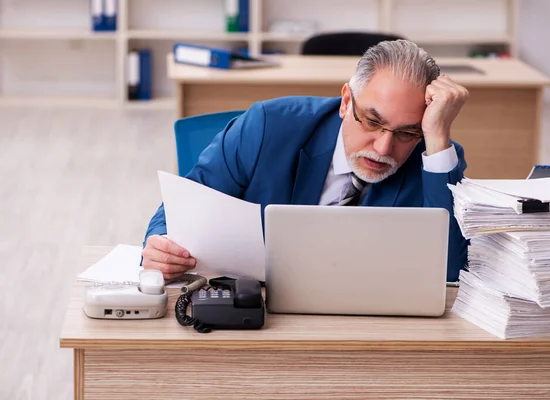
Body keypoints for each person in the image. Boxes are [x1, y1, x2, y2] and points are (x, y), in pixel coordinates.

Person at [142, 39, 469, 282]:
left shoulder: (433, 159)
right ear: (345, 102)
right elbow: (185, 203)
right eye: (371, 121)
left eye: (405, 133)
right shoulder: (268, 126)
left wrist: (436, 138)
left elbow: (451, 274)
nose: (384, 148)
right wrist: (162, 248)